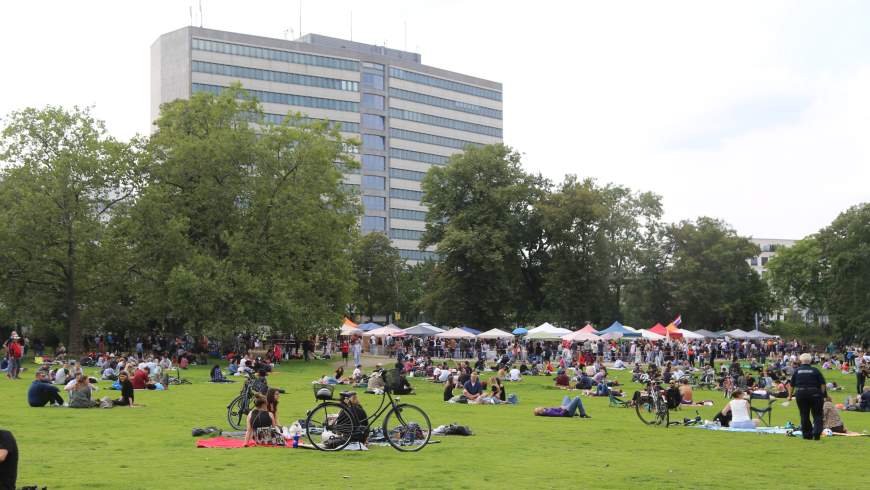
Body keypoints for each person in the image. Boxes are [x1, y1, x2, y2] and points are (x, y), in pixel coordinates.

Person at [787, 353, 827, 440]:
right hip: (815, 393)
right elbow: (823, 384)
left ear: (801, 361)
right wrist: (822, 394)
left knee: (804, 414)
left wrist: (790, 396)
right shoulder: (815, 370)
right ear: (810, 361)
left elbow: (791, 385)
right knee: (817, 415)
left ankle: (807, 435)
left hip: (801, 393)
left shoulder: (797, 371)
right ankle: (816, 433)